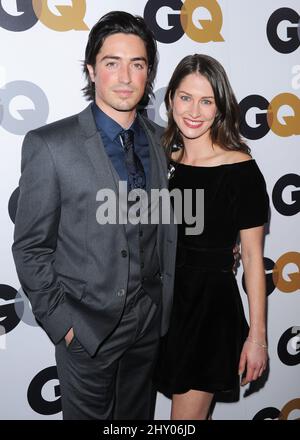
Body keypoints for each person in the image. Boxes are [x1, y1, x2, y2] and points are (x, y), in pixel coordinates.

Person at [12, 11, 177, 420]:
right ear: (91, 70)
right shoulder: (50, 145)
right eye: (111, 63)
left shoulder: (163, 141)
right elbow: (31, 247)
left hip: (149, 324)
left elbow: (165, 228)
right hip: (86, 332)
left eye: (137, 64)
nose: (125, 77)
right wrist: (64, 325)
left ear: (149, 73)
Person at [154, 54, 269, 420]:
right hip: (158, 308)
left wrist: (257, 337)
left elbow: (251, 258)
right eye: (186, 97)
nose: (194, 111)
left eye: (207, 101)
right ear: (171, 98)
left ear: (220, 108)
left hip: (206, 314)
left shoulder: (240, 170)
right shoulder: (162, 161)